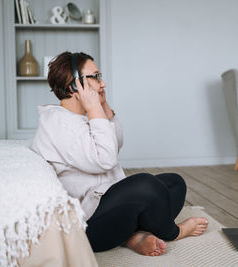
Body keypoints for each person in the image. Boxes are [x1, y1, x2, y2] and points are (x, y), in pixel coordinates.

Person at [31, 51, 209, 256]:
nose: (103, 83)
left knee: (173, 183)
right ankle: (175, 232)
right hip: (87, 228)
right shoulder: (59, 123)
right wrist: (94, 108)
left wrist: (103, 107)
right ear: (74, 85)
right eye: (96, 77)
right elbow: (105, 160)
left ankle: (133, 236)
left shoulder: (78, 116)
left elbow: (115, 145)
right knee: (146, 185)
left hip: (106, 204)